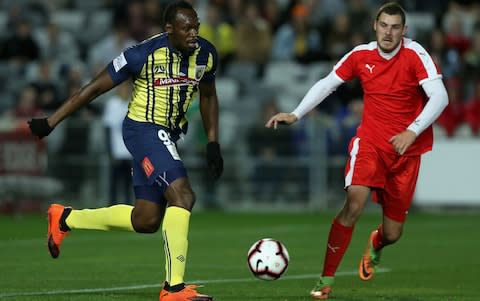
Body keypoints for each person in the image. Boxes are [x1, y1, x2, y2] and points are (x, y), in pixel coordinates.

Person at [27, 1, 223, 301]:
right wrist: (51, 121)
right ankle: (174, 288)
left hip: (168, 134)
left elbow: (208, 96)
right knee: (183, 195)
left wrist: (212, 142)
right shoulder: (141, 54)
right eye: (187, 28)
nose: (194, 33)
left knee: (146, 220)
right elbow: (93, 88)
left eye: (196, 26)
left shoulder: (206, 54)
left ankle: (65, 218)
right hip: (143, 130)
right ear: (169, 30)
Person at [266, 2, 448, 299]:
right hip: (371, 144)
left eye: (395, 27)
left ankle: (376, 242)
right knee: (354, 203)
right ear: (374, 25)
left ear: (405, 30)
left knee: (393, 234)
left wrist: (411, 131)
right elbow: (328, 83)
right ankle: (325, 281)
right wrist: (296, 113)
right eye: (384, 25)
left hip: (406, 152)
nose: (388, 32)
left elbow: (440, 97)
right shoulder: (360, 55)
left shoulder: (416, 55)